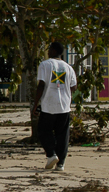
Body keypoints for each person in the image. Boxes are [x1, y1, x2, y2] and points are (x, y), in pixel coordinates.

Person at [30, 42, 77, 172]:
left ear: (54, 50)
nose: (48, 51)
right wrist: (63, 90)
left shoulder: (45, 64)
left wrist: (36, 104)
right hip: (64, 106)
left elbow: (41, 85)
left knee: (43, 131)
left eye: (49, 49)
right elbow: (74, 87)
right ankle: (61, 163)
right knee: (62, 134)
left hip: (48, 105)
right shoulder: (68, 67)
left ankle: (51, 154)